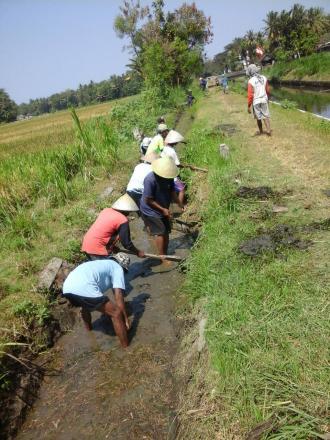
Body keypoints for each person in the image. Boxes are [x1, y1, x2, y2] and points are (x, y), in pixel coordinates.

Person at [62, 254, 130, 348]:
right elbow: (118, 296)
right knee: (116, 313)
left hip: (67, 288)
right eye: (125, 271)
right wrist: (125, 319)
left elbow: (114, 291)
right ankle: (126, 347)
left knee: (85, 305)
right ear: (123, 266)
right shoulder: (117, 267)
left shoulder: (103, 264)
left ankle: (89, 330)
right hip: (83, 286)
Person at [140, 156, 183, 258]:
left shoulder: (169, 178)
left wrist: (179, 203)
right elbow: (148, 200)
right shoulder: (150, 179)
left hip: (163, 207)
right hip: (150, 209)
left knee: (167, 232)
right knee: (161, 232)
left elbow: (172, 191)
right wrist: (163, 210)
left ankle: (165, 253)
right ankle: (162, 257)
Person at [81, 194, 145, 260]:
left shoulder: (106, 211)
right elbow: (127, 244)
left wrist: (112, 247)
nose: (128, 214)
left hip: (86, 244)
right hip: (97, 249)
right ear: (125, 210)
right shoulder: (122, 220)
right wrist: (137, 252)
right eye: (129, 212)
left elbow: (104, 232)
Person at [161, 130, 186, 206]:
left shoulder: (162, 148)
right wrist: (184, 166)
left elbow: (157, 153)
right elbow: (177, 164)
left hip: (161, 173)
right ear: (174, 142)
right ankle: (180, 206)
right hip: (170, 174)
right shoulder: (172, 151)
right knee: (182, 189)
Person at [247, 64, 271, 136]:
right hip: (264, 100)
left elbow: (250, 95)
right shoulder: (264, 78)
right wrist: (268, 99)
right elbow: (267, 90)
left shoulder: (250, 81)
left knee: (258, 118)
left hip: (256, 102)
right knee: (266, 116)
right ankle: (268, 130)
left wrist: (248, 106)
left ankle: (261, 131)